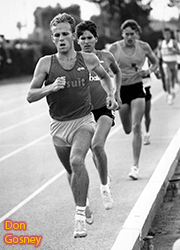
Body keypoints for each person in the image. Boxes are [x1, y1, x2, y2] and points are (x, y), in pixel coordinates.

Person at [26, 13, 117, 238]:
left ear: (73, 36)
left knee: (77, 161)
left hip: (83, 121)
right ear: (53, 38)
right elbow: (30, 95)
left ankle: (78, 220)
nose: (62, 38)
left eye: (66, 33)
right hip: (58, 127)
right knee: (71, 171)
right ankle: (84, 205)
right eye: (57, 35)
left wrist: (111, 95)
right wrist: (50, 88)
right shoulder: (45, 63)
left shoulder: (88, 59)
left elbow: (106, 78)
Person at [75, 20, 122, 211]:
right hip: (83, 112)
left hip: (103, 109)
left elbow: (116, 73)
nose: (86, 41)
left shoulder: (106, 56)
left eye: (89, 38)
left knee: (97, 145)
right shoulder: (74, 60)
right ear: (77, 41)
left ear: (96, 38)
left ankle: (104, 188)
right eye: (82, 38)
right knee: (92, 152)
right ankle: (105, 176)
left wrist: (115, 94)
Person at [109, 19, 158, 180]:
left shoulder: (143, 47)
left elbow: (155, 62)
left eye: (132, 34)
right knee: (128, 129)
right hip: (122, 91)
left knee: (137, 126)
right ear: (122, 34)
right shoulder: (115, 48)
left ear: (136, 33)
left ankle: (135, 166)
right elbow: (105, 67)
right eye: (126, 34)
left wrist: (148, 71)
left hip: (137, 89)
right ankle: (131, 126)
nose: (129, 37)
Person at [159, 28, 180, 105]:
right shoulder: (161, 43)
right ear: (163, 35)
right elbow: (158, 51)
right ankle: (169, 94)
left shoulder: (173, 42)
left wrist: (173, 50)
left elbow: (179, 52)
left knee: (173, 79)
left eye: (168, 34)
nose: (166, 36)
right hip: (165, 63)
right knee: (167, 77)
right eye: (165, 34)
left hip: (173, 63)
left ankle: (173, 90)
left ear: (170, 35)